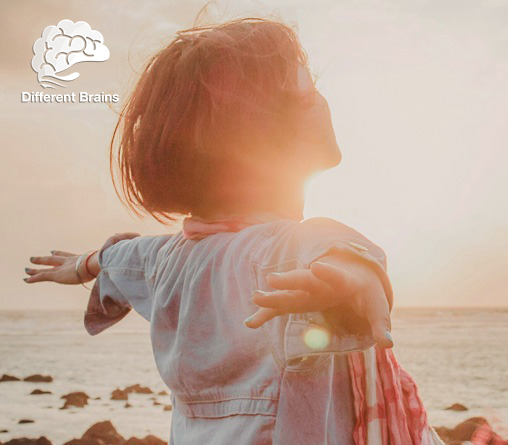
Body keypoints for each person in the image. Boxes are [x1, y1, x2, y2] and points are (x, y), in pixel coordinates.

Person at [24, 18, 442, 445]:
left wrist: (81, 265)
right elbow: (331, 250)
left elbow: (119, 260)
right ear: (259, 131)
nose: (321, 99)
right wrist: (351, 278)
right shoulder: (282, 250)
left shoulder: (165, 259)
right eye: (306, 90)